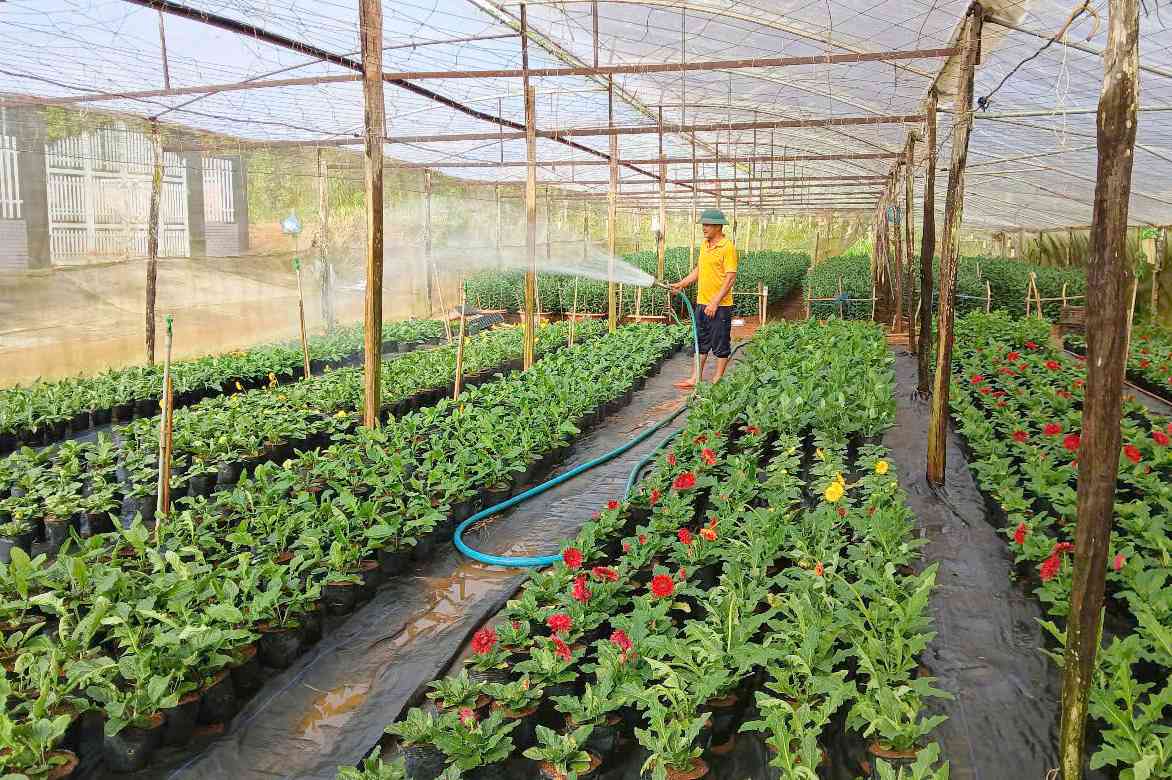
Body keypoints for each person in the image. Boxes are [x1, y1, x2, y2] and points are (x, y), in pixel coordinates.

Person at [670, 209, 738, 389]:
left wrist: (715, 302)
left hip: (720, 306)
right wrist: (682, 283)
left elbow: (730, 277)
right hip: (702, 303)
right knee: (700, 341)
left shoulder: (727, 247)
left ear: (718, 226)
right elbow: (699, 269)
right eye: (703, 224)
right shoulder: (705, 245)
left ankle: (717, 379)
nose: (704, 228)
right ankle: (695, 378)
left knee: (721, 343)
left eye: (707, 225)